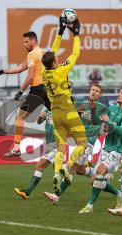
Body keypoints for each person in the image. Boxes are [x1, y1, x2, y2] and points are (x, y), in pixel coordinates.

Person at [44, 84, 113, 203]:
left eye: (97, 91)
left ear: (100, 95)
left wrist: (103, 127)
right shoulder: (81, 104)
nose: (94, 92)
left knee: (71, 167)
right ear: (89, 91)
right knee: (80, 170)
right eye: (92, 90)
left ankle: (56, 196)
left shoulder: (102, 108)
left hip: (89, 143)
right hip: (79, 141)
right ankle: (103, 176)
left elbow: (106, 124)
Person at [41, 18, 87, 196]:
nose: (58, 57)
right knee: (82, 144)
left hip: (55, 114)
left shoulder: (45, 72)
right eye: (56, 59)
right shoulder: (61, 70)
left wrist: (60, 32)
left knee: (61, 148)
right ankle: (67, 168)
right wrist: (75, 33)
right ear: (54, 63)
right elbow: (75, 53)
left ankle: (56, 174)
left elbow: (51, 52)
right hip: (68, 111)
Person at [0, 31, 51, 157]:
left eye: (26, 41)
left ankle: (17, 147)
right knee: (62, 115)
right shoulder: (44, 53)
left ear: (33, 41)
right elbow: (21, 67)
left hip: (37, 90)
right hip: (49, 89)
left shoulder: (32, 54)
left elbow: (30, 77)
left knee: (20, 117)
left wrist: (21, 91)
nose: (24, 44)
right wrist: (2, 71)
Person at [79, 86, 122, 214]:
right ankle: (119, 193)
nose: (119, 95)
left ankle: (90, 206)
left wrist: (109, 122)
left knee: (100, 171)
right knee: (94, 180)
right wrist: (90, 113)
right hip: (106, 149)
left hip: (118, 150)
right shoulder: (112, 109)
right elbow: (98, 122)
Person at [14, 110, 57, 199]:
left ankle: (27, 192)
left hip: (56, 143)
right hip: (50, 143)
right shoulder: (48, 110)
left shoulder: (63, 110)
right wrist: (40, 117)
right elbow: (38, 122)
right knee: (57, 169)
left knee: (40, 167)